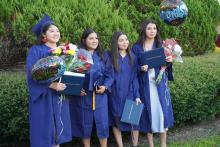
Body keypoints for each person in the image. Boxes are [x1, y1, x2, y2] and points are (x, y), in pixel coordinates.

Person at [26, 15, 72, 147]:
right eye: (51, 30)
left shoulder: (65, 52)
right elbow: (31, 75)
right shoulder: (36, 50)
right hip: (44, 97)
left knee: (58, 132)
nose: (56, 33)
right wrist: (51, 84)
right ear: (44, 35)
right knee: (44, 132)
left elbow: (70, 72)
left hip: (60, 95)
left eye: (57, 30)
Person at [132, 20, 174, 147]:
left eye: (154, 28)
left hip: (159, 85)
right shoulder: (137, 47)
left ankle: (163, 144)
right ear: (144, 30)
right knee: (149, 114)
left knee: (162, 113)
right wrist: (141, 68)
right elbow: (133, 68)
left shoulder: (161, 45)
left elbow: (167, 66)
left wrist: (170, 61)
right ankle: (151, 144)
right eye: (149, 28)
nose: (152, 31)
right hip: (145, 86)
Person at [69, 28, 114, 147]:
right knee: (85, 124)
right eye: (91, 38)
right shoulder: (78, 55)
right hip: (84, 96)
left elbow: (110, 74)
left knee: (103, 124)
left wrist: (105, 86)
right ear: (84, 40)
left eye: (96, 38)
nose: (94, 40)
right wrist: (76, 88)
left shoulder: (104, 55)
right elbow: (72, 74)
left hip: (100, 94)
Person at [108, 31, 141, 147]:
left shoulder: (133, 57)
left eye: (126, 40)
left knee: (133, 121)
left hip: (130, 93)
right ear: (115, 42)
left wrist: (137, 95)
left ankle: (135, 145)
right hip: (115, 94)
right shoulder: (110, 57)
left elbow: (134, 78)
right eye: (121, 40)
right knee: (116, 122)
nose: (124, 42)